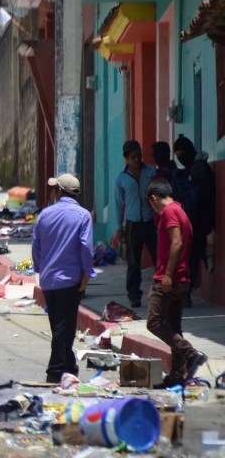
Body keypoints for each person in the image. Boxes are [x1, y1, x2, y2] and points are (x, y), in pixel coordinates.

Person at [31, 174, 95, 383]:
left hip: (49, 280)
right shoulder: (83, 215)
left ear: (59, 191)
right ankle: (55, 370)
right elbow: (86, 247)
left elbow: (36, 247)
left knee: (60, 325)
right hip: (70, 280)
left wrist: (41, 269)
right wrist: (87, 274)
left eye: (53, 189)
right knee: (63, 326)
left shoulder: (44, 215)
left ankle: (69, 366)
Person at [144, 178, 206, 387]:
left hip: (169, 278)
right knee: (173, 327)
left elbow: (177, 242)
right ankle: (177, 376)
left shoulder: (169, 212)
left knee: (154, 322)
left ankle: (191, 354)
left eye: (151, 204)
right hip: (181, 278)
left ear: (154, 198)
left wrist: (167, 275)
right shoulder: (180, 210)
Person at [113, 139, 157, 308]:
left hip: (150, 222)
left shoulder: (151, 171)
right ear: (126, 158)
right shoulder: (121, 179)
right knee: (133, 262)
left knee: (159, 257)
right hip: (132, 225)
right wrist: (119, 228)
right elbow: (118, 204)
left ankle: (163, 292)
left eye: (139, 155)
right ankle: (134, 295)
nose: (137, 159)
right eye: (133, 157)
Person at [173, 135, 216, 306]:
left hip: (198, 223)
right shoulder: (189, 171)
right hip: (192, 223)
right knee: (190, 257)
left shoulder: (199, 169)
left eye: (181, 153)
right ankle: (187, 292)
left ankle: (186, 292)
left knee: (190, 257)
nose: (180, 157)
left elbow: (204, 197)